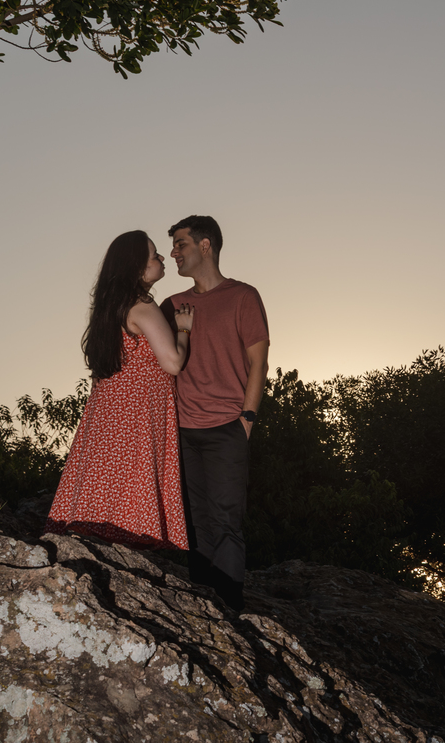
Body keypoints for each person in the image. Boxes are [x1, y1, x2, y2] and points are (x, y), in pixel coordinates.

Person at [45, 231, 194, 550]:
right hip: (137, 408)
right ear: (137, 267)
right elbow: (172, 363)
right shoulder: (141, 305)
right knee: (133, 481)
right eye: (154, 255)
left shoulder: (110, 309)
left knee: (108, 481)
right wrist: (183, 328)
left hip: (109, 408)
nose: (161, 259)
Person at [160, 216, 268, 612]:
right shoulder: (171, 305)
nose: (174, 252)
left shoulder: (243, 297)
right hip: (182, 430)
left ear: (205, 246)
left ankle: (230, 612)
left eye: (180, 244)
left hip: (227, 428)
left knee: (225, 522)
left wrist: (247, 421)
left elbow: (259, 363)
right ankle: (202, 608)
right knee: (193, 524)